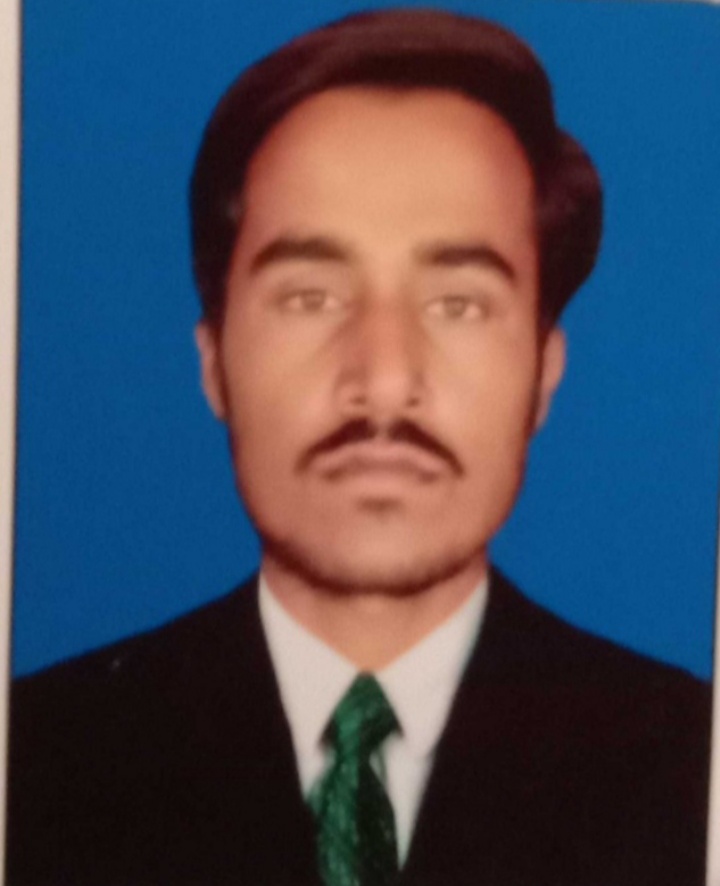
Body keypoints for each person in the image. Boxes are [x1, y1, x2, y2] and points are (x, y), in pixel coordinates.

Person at [6, 8, 711, 886]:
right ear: (214, 363)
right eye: (311, 298)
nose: (382, 382)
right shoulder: (33, 762)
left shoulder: (693, 768)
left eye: (458, 304)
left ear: (543, 374)